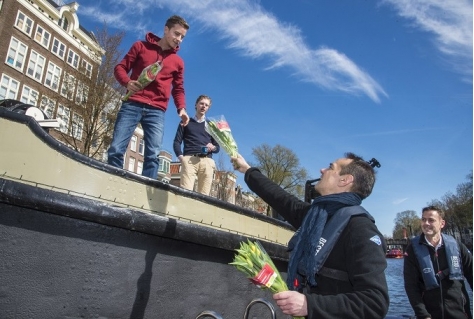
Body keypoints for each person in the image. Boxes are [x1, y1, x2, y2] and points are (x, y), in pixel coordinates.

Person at [231, 153, 389, 318]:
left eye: (330, 167)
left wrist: (309, 305)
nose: (322, 170)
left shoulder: (361, 229)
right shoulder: (315, 217)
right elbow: (280, 198)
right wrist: (247, 170)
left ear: (345, 180)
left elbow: (375, 302)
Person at [107, 15, 190, 179]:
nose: (179, 39)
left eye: (182, 37)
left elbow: (178, 88)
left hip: (156, 111)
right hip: (132, 103)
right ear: (166, 30)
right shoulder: (140, 46)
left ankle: (146, 194)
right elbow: (120, 68)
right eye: (176, 34)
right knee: (116, 149)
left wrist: (181, 108)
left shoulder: (178, 62)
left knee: (153, 156)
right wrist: (127, 82)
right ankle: (113, 181)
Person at [404, 206, 473, 319]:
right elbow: (411, 286)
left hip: (460, 313)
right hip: (430, 314)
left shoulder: (457, 246)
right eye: (423, 219)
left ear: (442, 223)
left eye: (431, 220)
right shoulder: (412, 250)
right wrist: (423, 314)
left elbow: (472, 274)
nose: (426, 223)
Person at [173, 95, 219, 195]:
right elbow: (177, 141)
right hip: (189, 160)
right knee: (185, 194)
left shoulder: (211, 126)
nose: (203, 106)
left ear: (208, 108)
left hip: (207, 161)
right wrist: (181, 158)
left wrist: (213, 147)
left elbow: (217, 148)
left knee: (204, 197)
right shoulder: (186, 121)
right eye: (201, 103)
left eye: (206, 105)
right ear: (196, 105)